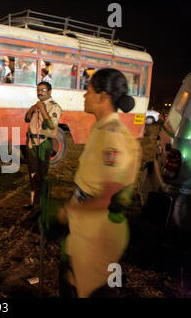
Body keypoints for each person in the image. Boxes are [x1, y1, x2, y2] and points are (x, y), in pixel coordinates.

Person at [57, 68, 141, 298]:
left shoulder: (113, 136)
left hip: (99, 235)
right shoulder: (100, 129)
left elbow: (107, 197)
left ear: (103, 96)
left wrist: (67, 209)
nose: (85, 95)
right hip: (85, 230)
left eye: (89, 90)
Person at [24, 82, 62, 211]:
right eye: (38, 90)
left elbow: (51, 126)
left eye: (43, 90)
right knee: (33, 174)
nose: (40, 92)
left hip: (44, 143)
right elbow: (27, 119)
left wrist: (42, 109)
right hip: (31, 142)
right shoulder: (37, 105)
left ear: (50, 92)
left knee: (42, 175)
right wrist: (33, 108)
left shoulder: (54, 107)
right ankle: (33, 202)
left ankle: (43, 204)